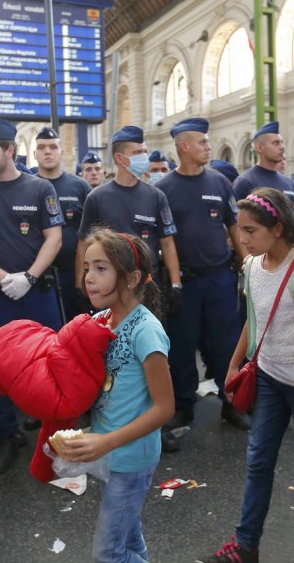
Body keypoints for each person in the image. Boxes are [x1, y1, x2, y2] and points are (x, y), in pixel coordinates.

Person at [198, 187, 294, 563]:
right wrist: (234, 365)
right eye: (240, 230)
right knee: (259, 460)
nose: (242, 238)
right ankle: (245, 545)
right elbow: (255, 320)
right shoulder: (251, 266)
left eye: (251, 230)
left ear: (278, 228)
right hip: (267, 377)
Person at [62, 228, 173, 563]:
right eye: (86, 268)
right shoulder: (99, 321)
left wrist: (106, 442)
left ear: (131, 277)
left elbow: (165, 408)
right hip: (110, 452)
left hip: (131, 459)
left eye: (100, 268)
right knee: (128, 534)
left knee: (108, 554)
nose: (88, 279)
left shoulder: (146, 332)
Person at [0, 118, 62, 473]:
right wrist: (5, 277)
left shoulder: (39, 189)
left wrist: (30, 277)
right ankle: (4, 434)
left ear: (9, 150)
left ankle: (56, 437)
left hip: (38, 293)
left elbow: (54, 237)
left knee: (52, 362)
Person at [76, 125, 182, 450]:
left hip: (145, 288)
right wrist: (84, 282)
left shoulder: (155, 195)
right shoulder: (98, 197)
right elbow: (83, 244)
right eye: (137, 152)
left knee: (150, 352)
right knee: (110, 354)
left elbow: (167, 241)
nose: (143, 156)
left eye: (144, 150)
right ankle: (109, 416)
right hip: (108, 293)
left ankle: (155, 421)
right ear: (121, 158)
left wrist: (176, 282)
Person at [155, 118, 249, 438]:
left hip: (220, 279)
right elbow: (162, 240)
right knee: (181, 347)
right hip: (185, 282)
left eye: (208, 142)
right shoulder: (163, 189)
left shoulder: (220, 183)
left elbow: (233, 227)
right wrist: (172, 282)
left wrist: (247, 265)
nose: (208, 147)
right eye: (202, 142)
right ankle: (183, 406)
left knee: (226, 344)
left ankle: (231, 403)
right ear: (183, 147)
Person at [34, 127, 93, 323]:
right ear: (34, 154)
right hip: (37, 274)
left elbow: (91, 234)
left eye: (53, 147)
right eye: (41, 147)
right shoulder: (27, 187)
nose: (47, 151)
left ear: (62, 152)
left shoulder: (80, 186)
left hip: (72, 274)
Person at [232, 122, 294, 203]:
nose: (282, 147)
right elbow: (236, 214)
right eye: (276, 143)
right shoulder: (245, 182)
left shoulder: (289, 183)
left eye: (282, 142)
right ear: (259, 147)